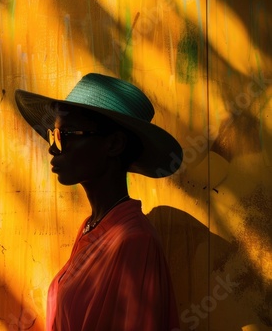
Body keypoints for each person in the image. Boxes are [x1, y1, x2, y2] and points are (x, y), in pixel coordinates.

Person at [14, 73, 182, 331]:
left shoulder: (134, 241)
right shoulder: (93, 227)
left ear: (113, 144)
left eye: (66, 135)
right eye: (53, 135)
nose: (54, 148)